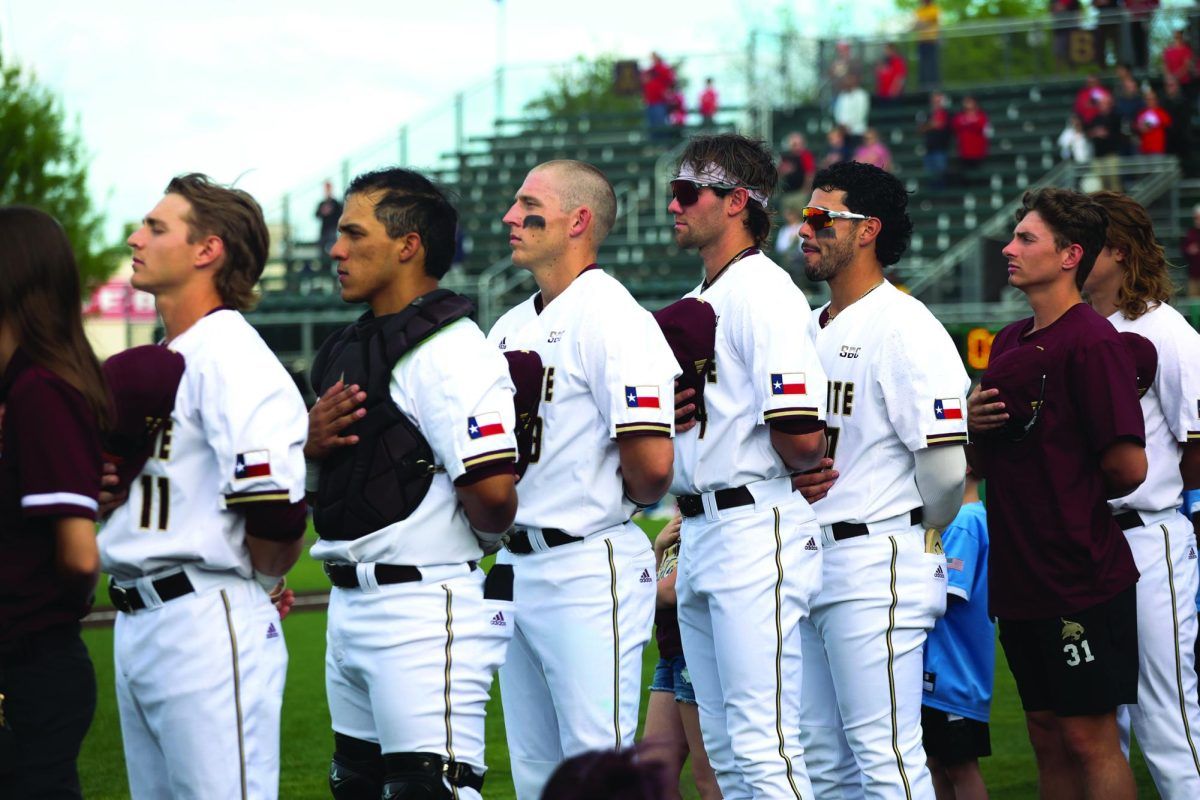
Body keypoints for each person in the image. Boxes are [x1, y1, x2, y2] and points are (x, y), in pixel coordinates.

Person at [302, 168, 520, 799]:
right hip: (349, 602)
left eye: (353, 233)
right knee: (360, 787)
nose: (336, 250)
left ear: (408, 245)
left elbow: (494, 499)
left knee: (431, 790)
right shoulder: (354, 346)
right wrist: (308, 445)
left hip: (422, 605)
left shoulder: (451, 350)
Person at [99, 174, 310, 799]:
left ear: (207, 250)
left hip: (203, 618)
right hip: (138, 615)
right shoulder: (169, 352)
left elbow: (274, 511)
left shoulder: (233, 357)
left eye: (156, 227)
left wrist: (262, 584)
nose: (136, 237)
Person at [488, 159, 678, 799]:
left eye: (528, 204)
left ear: (579, 220)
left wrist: (598, 495)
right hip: (517, 564)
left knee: (600, 772)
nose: (511, 217)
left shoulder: (613, 315)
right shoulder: (508, 324)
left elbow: (651, 472)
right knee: (536, 777)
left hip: (586, 562)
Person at [791, 160, 969, 800]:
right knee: (822, 761)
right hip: (811, 557)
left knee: (885, 755)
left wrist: (916, 529)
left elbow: (947, 471)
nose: (804, 230)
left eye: (821, 217)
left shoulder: (905, 324)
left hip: (877, 553)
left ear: (868, 230)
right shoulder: (810, 324)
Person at [968, 187, 1147, 800]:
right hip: (1019, 575)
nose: (1008, 247)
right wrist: (972, 425)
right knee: (1045, 731)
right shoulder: (1012, 340)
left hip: (1079, 572)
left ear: (1071, 255)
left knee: (1088, 736)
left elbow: (1129, 467)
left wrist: (1062, 495)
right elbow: (984, 460)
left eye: (1025, 239)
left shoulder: (1093, 340)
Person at [666, 132, 828, 798]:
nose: (673, 205)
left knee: (765, 748)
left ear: (736, 202)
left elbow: (801, 435)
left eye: (686, 192)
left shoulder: (764, 291)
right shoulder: (704, 291)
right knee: (727, 754)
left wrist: (804, 459)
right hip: (704, 528)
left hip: (754, 522)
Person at [1084, 191, 1200, 798]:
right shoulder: (1077, 328)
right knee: (1100, 725)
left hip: (1149, 532)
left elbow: (1197, 445)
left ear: (1119, 252)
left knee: (1167, 719)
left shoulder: (1166, 330)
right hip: (1089, 542)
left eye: (1089, 240)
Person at [0, 207, 105, 799]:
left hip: (32, 664)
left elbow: (79, 557)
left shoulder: (41, 388)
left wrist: (39, 616)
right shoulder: (18, 386)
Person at [922, 467, 994, 800]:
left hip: (954, 676)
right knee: (936, 763)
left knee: (959, 767)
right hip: (938, 675)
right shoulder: (962, 519)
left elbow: (945, 595)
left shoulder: (964, 522)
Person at [640, 512, 720, 800]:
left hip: (692, 655)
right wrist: (660, 548)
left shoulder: (707, 515)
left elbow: (672, 592)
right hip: (671, 655)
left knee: (710, 780)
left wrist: (615, 590)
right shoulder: (680, 522)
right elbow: (662, 580)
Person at [1086, 93, 1125, 192]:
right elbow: (1088, 133)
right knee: (1099, 184)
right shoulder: (1095, 118)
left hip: (1111, 154)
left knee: (1114, 182)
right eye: (1100, 104)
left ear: (1109, 104)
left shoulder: (1116, 117)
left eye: (1104, 103)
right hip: (1098, 156)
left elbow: (1119, 134)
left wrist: (1105, 134)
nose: (1102, 106)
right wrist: (1095, 133)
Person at [952, 95, 990, 182]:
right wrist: (970, 122)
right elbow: (956, 124)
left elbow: (980, 126)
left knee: (978, 177)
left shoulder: (981, 116)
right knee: (965, 177)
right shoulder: (959, 116)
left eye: (969, 101)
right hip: (964, 152)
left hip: (978, 152)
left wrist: (968, 122)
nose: (967, 104)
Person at [833, 73, 870, 157]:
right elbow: (837, 112)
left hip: (857, 131)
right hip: (843, 133)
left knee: (856, 156)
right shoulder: (842, 95)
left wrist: (848, 126)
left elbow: (861, 114)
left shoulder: (862, 95)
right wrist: (841, 125)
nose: (847, 82)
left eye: (849, 80)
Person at [920, 91, 952, 190]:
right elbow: (921, 128)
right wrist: (932, 124)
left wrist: (930, 125)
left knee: (940, 175)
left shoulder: (945, 113)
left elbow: (940, 124)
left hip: (941, 149)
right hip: (929, 149)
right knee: (930, 176)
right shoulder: (926, 113)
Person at [315, 179, 343, 282]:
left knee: (331, 254)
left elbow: (340, 215)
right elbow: (316, 215)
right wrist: (323, 212)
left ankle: (331, 275)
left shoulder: (335, 203)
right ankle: (324, 273)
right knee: (322, 255)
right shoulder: (322, 203)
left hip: (332, 232)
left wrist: (330, 212)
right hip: (323, 232)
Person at [642, 52, 677, 136]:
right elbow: (643, 79)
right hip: (650, 102)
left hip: (660, 101)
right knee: (652, 125)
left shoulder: (663, 68)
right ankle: (655, 145)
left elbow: (671, 81)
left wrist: (667, 92)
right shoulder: (650, 70)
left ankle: (663, 144)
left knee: (660, 124)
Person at [779, 132, 815, 204]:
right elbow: (780, 173)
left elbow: (810, 174)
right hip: (787, 193)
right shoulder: (786, 156)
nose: (796, 147)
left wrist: (805, 191)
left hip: (800, 193)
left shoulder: (806, 156)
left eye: (798, 144)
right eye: (793, 144)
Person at [1163, 29, 1197, 105]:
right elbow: (1165, 65)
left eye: (1178, 37)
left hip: (1184, 82)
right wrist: (1169, 77)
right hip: (1171, 82)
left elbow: (1186, 66)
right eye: (1175, 37)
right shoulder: (1168, 50)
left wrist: (1176, 77)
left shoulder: (1186, 50)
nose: (1177, 39)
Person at [1134, 88, 1172, 156]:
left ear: (1156, 100)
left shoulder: (1161, 113)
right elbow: (1137, 127)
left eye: (1152, 99)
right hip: (1144, 150)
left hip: (1157, 149)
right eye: (1147, 99)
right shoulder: (1141, 113)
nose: (1149, 101)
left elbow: (1168, 124)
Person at [914, 0, 941, 89]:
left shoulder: (934, 9)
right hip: (922, 41)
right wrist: (925, 23)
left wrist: (922, 24)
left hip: (932, 41)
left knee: (933, 64)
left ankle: (934, 85)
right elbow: (917, 25)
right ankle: (922, 86)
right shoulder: (919, 10)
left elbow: (928, 22)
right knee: (922, 64)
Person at [1184, 204, 1200, 297]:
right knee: (1193, 300)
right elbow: (1185, 249)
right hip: (1193, 274)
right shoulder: (1191, 232)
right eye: (1196, 218)